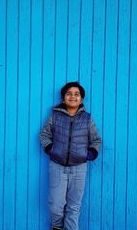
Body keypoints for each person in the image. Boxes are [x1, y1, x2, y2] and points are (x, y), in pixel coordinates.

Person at [39, 81, 102, 230]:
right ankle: (56, 226)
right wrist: (51, 149)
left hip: (79, 168)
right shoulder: (54, 116)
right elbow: (44, 135)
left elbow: (96, 140)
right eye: (69, 93)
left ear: (81, 99)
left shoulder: (87, 119)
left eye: (76, 94)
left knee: (74, 207)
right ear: (63, 98)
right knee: (55, 205)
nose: (72, 96)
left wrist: (89, 154)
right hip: (57, 166)